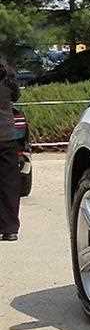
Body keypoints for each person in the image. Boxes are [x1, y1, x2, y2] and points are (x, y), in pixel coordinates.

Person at [0, 55, 21, 241]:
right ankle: (10, 229)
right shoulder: (7, 76)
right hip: (7, 135)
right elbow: (16, 96)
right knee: (9, 183)